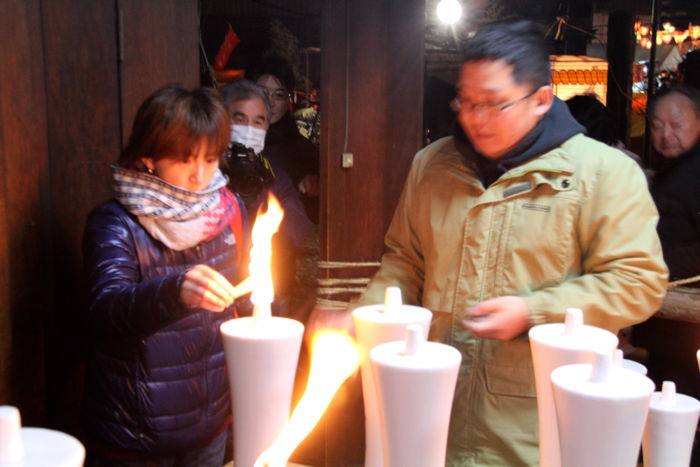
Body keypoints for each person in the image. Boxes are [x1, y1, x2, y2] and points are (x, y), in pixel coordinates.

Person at [345, 20, 667, 465]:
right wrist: (372, 318)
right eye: (466, 102)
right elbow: (405, 259)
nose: (475, 118)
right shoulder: (433, 165)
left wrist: (533, 311)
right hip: (431, 408)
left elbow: (638, 282)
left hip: (536, 423)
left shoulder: (603, 174)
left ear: (540, 100)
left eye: (494, 104)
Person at [81, 85, 246, 466]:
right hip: (135, 433)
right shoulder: (115, 223)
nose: (200, 176)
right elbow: (104, 312)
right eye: (187, 159)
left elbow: (244, 298)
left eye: (211, 159)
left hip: (210, 424)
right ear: (149, 156)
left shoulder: (224, 212)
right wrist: (175, 291)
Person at [220, 79, 313, 317]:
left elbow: (298, 230)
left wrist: (255, 197)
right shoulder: (203, 174)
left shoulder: (273, 176)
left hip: (263, 301)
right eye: (239, 120)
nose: (249, 129)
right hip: (215, 301)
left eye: (258, 122)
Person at [248, 56, 320, 221]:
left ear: (287, 100)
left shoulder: (303, 151)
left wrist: (314, 188)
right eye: (263, 93)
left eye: (279, 95)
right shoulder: (234, 142)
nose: (270, 102)